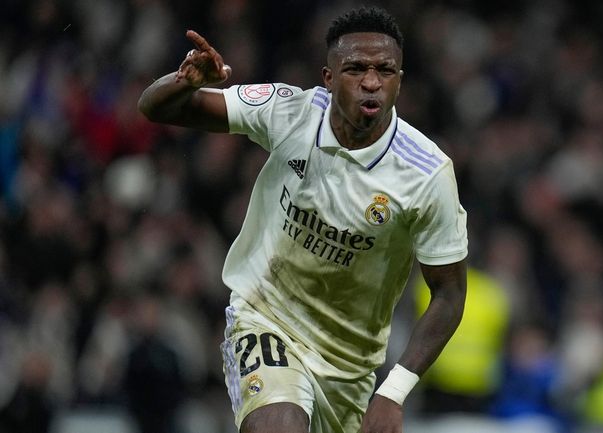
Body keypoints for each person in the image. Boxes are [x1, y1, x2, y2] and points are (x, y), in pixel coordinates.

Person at [138, 6, 468, 433]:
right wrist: (184, 82)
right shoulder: (289, 111)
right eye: (355, 69)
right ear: (328, 79)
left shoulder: (426, 174)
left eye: (385, 71)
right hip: (265, 318)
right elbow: (157, 109)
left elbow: (450, 293)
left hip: (348, 366)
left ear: (399, 82)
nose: (371, 82)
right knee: (280, 425)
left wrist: (393, 390)